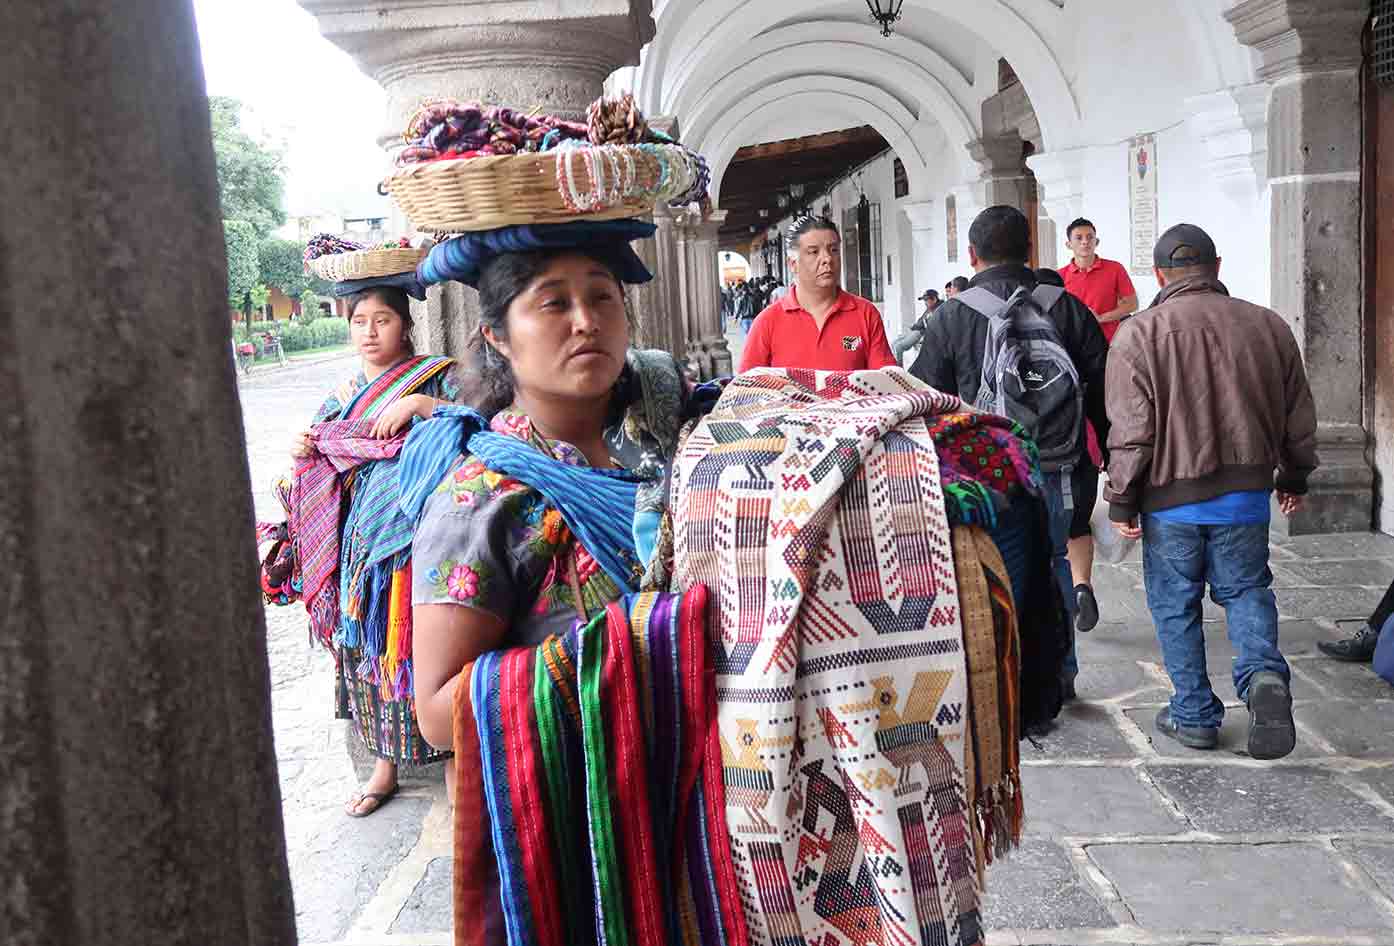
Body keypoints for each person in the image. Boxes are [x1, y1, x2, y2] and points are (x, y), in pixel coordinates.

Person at [1105, 223, 1316, 760]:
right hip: (1245, 497)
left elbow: (1132, 429)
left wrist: (1123, 500)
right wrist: (1294, 476)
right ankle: (1264, 677)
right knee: (1245, 590)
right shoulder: (1268, 326)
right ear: (1216, 267)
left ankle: (1194, 715)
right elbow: (1298, 414)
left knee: (1175, 605)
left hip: (1170, 502)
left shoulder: (1138, 334)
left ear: (1158, 275)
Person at [909, 205, 1110, 701]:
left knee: (987, 570)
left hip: (983, 470)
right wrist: (1109, 454)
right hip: (1061, 465)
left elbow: (925, 397)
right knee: (1057, 561)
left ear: (972, 255)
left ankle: (999, 679)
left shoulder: (950, 316)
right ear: (1031, 251)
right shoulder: (1065, 307)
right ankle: (1061, 675)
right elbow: (1106, 386)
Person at [288, 282, 461, 817]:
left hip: (417, 534)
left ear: (405, 325)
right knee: (366, 646)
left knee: (421, 643)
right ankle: (384, 764)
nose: (369, 331)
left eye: (381, 319)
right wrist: (303, 446)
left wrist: (423, 404)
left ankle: (454, 754)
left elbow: (480, 422)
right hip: (359, 545)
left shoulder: (436, 375)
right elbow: (321, 450)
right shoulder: (343, 395)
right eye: (359, 321)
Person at [1058, 217, 1139, 631]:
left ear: (1097, 240)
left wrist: (1097, 316)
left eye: (1090, 237)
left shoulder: (1113, 270)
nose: (1085, 243)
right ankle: (1080, 584)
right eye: (1079, 238)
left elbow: (1131, 304)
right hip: (1070, 369)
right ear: (1069, 243)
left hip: (1108, 355)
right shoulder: (1060, 277)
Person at [738, 214, 896, 372]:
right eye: (814, 252)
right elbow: (746, 391)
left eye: (833, 250)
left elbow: (887, 382)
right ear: (793, 264)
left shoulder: (866, 314)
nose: (827, 258)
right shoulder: (767, 323)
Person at [892, 289, 940, 365]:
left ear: (934, 299)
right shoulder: (930, 308)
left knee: (898, 347)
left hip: (922, 333)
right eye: (924, 300)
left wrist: (917, 327)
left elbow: (930, 325)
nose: (925, 303)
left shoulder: (938, 310)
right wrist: (914, 326)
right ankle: (894, 367)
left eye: (927, 300)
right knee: (894, 342)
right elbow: (921, 320)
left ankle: (900, 371)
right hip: (917, 330)